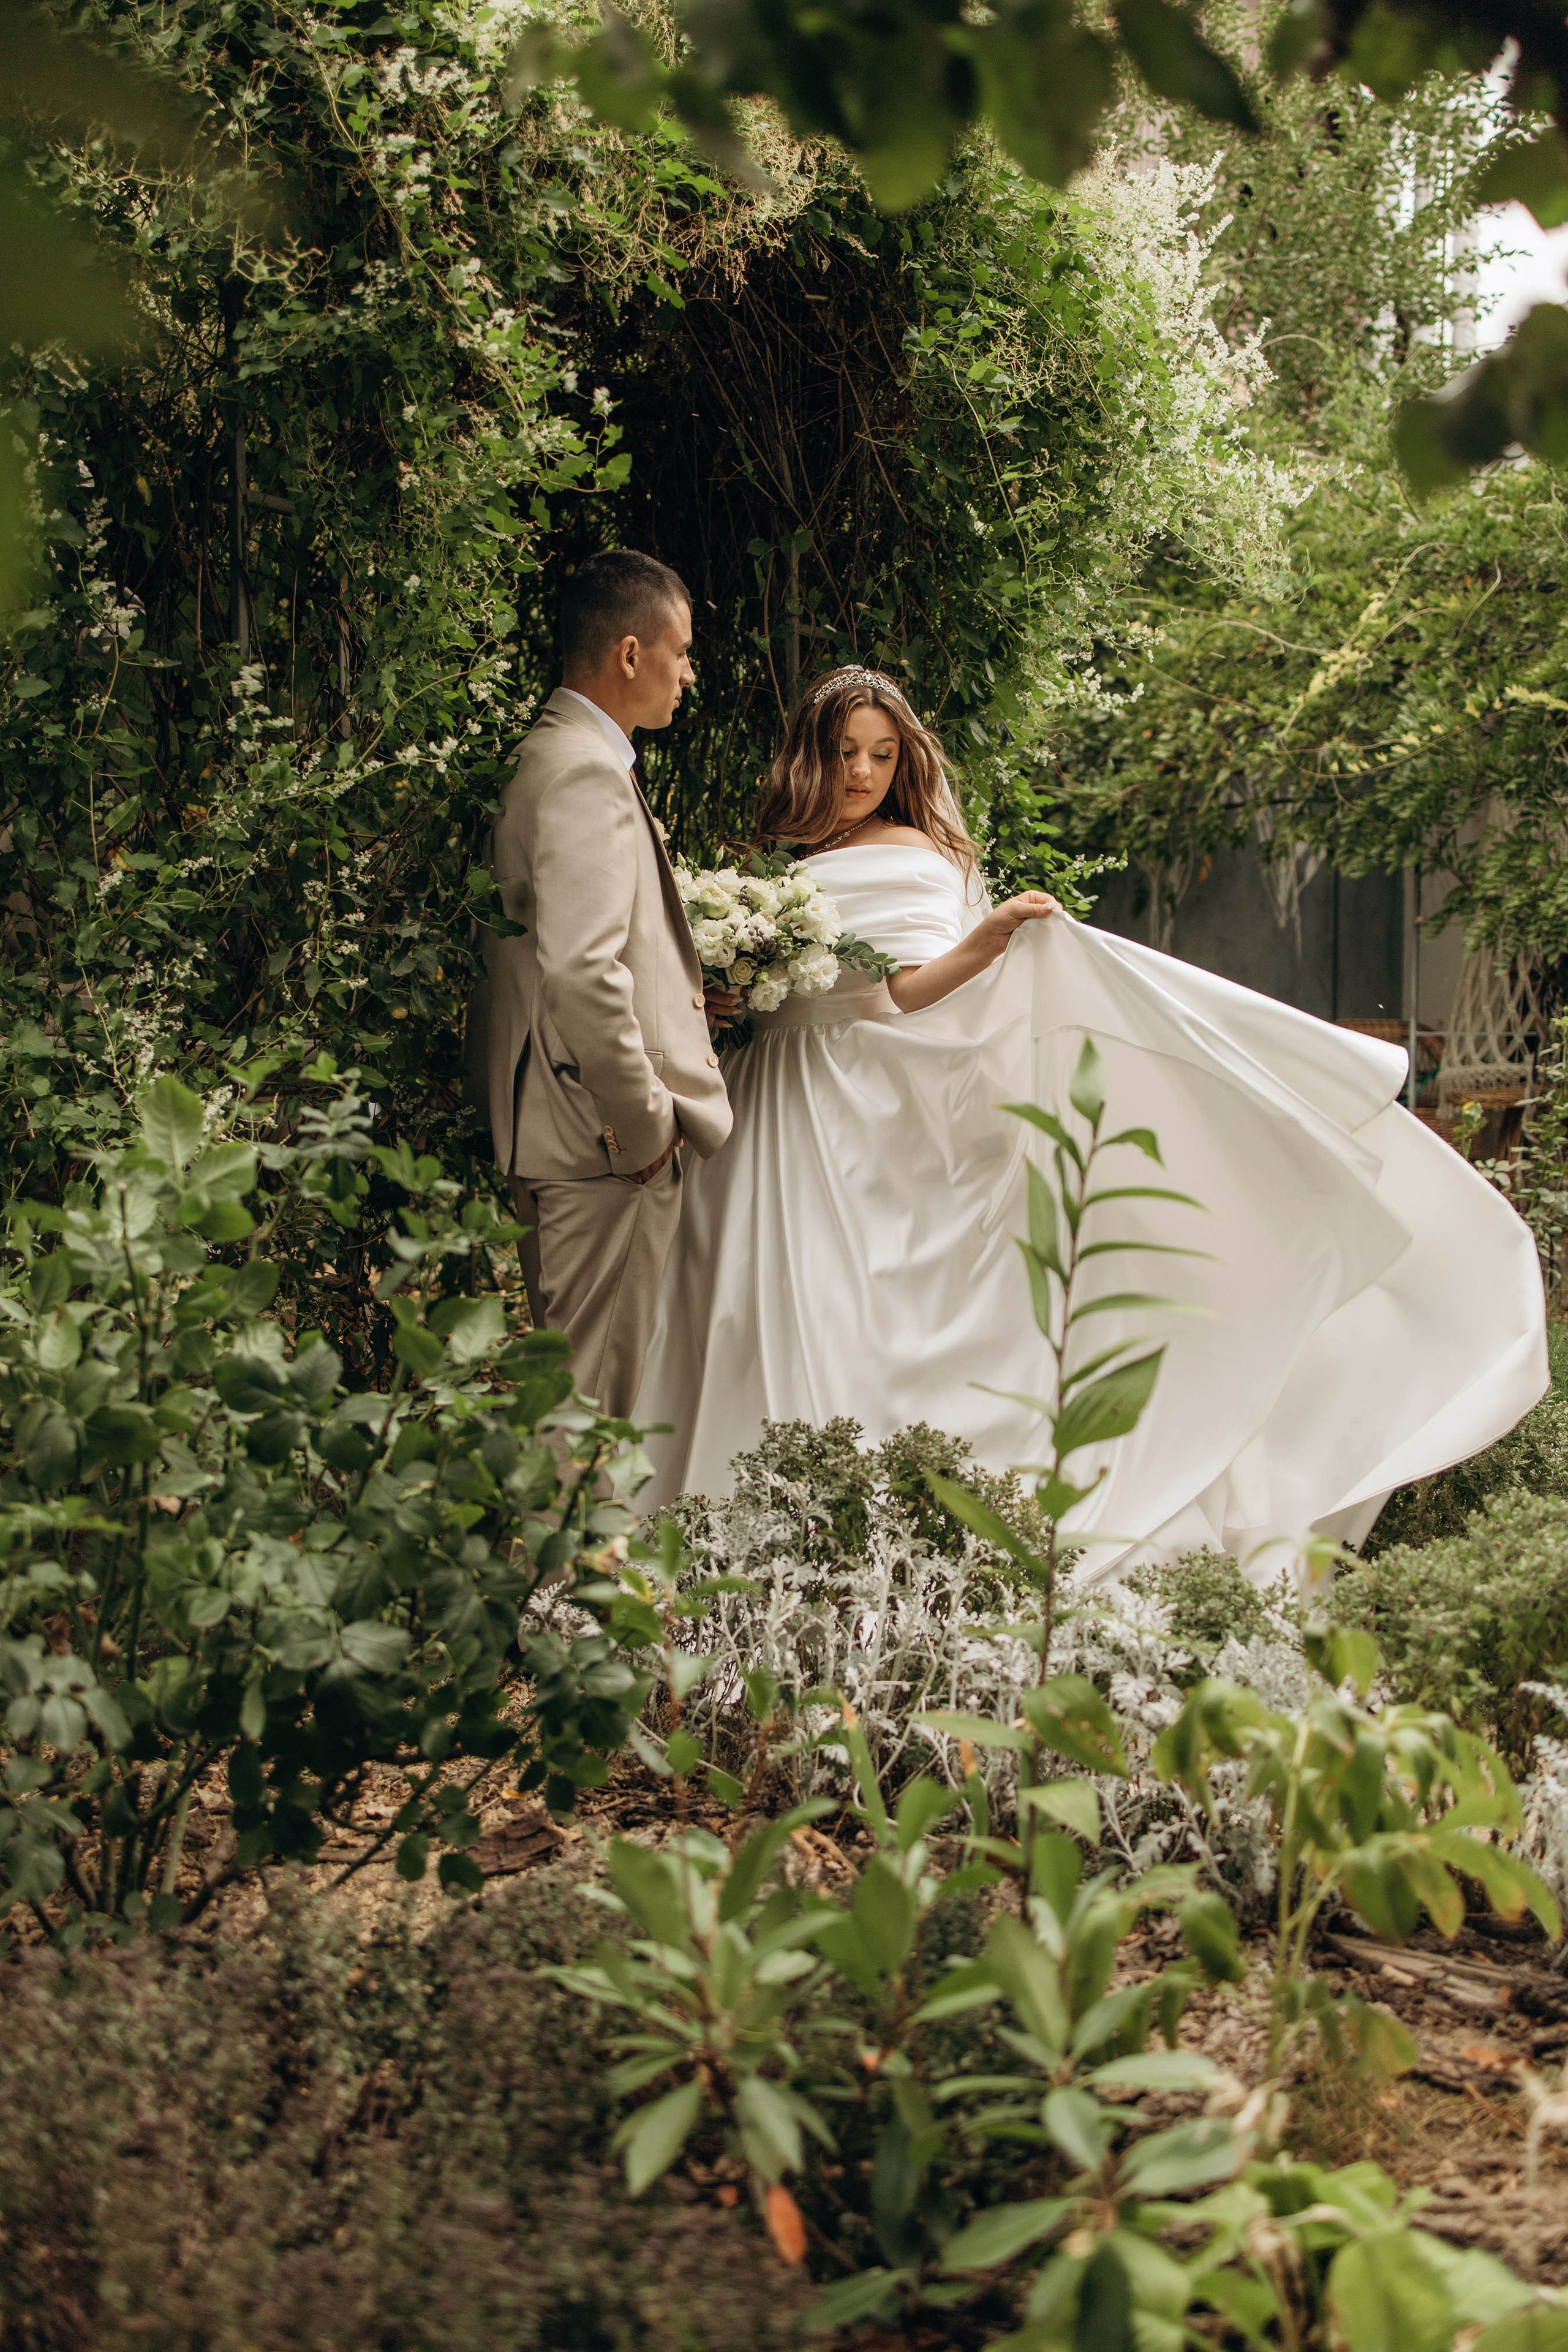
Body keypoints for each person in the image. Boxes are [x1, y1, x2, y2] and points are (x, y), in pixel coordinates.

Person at [633, 663, 1548, 1580]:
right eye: (844, 755)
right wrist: (728, 993)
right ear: (811, 757)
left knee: (843, 1301)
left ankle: (867, 1539)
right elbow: (751, 988)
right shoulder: (772, 862)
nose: (863, 773)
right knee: (738, 1298)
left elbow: (904, 993)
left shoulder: (914, 851)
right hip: (763, 1094)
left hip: (858, 1101)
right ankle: (725, 1534)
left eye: (880, 754)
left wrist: (989, 939)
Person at [465, 550, 733, 1416]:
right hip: (599, 1148)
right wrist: (645, 1124)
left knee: (568, 1406)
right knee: (586, 1421)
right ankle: (571, 1561)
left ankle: (569, 1557)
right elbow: (582, 973)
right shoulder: (585, 769)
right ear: (629, 653)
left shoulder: (546, 753)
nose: (688, 672)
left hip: (559, 1134)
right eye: (680, 651)